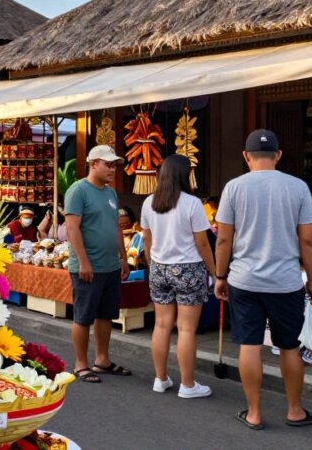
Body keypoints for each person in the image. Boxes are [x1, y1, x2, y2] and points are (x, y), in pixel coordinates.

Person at [214, 129, 312, 430]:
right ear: (278, 155)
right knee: (289, 347)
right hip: (286, 281)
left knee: (249, 345)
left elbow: (224, 239)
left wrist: (220, 276)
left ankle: (254, 413)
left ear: (246, 156)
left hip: (244, 280)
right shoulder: (298, 187)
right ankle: (295, 411)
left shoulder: (233, 188)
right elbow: (309, 240)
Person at [141, 155, 216, 398]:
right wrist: (215, 272)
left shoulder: (149, 203)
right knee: (185, 329)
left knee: (161, 325)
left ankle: (160, 378)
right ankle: (187, 384)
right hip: (188, 268)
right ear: (184, 175)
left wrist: (152, 263)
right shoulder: (192, 203)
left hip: (159, 267)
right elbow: (202, 243)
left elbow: (147, 240)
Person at [65, 145, 130, 384]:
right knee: (83, 316)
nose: (113, 169)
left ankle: (102, 359)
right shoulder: (78, 191)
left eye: (114, 165)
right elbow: (72, 228)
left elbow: (116, 227)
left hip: (110, 265)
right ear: (93, 164)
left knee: (105, 315)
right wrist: (83, 261)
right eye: (108, 164)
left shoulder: (111, 193)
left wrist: (122, 257)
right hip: (87, 266)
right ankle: (80, 363)